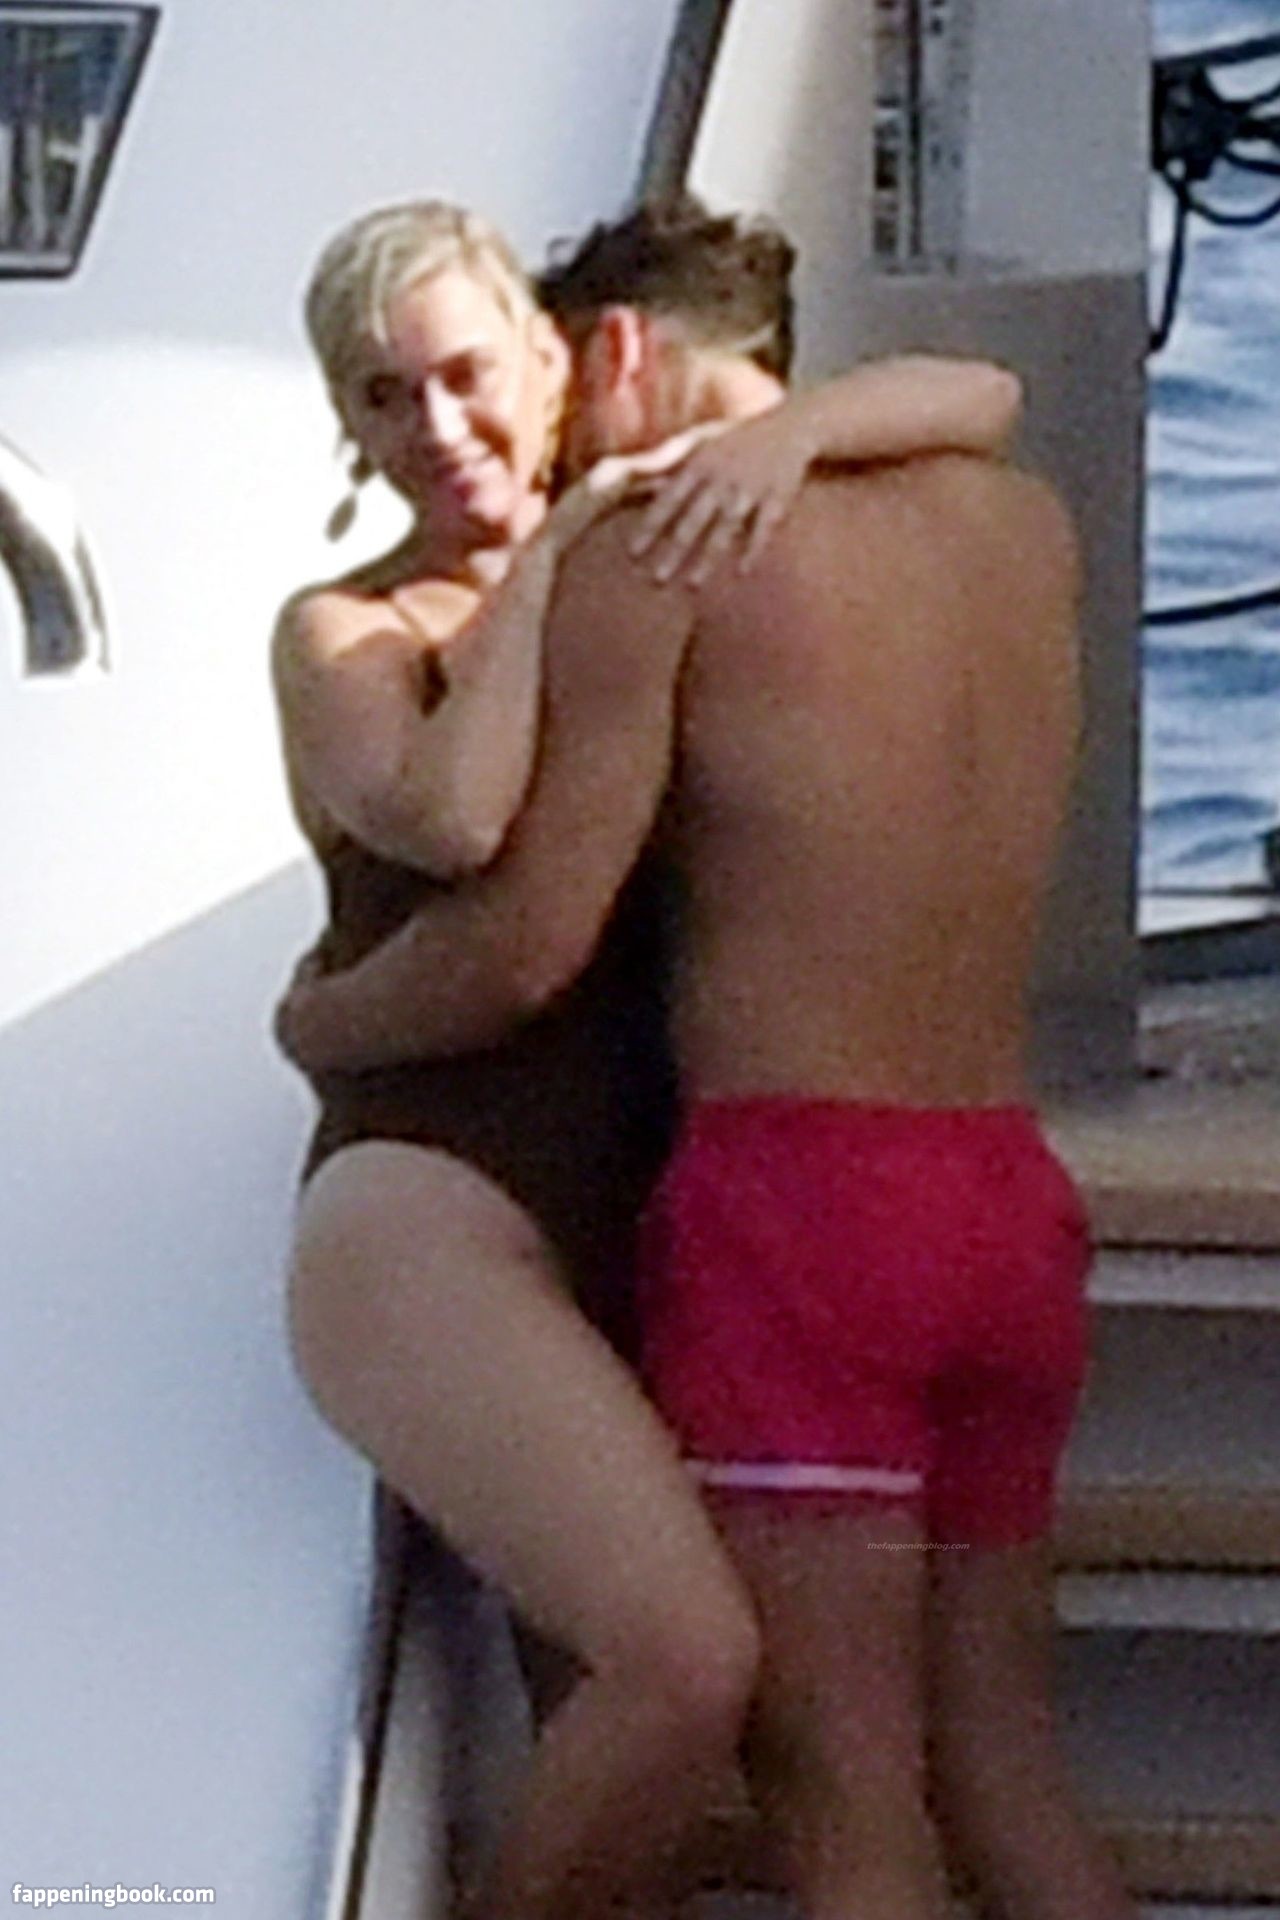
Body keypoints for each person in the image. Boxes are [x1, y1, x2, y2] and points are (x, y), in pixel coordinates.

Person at [279, 197, 1138, 1920]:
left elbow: (526, 939)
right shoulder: (1021, 529)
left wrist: (316, 1020)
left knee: (839, 1787)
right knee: (999, 1760)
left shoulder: (659, 555)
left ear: (588, 352)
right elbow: (982, 395)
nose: (453, 426)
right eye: (385, 394)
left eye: (484, 373)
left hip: (807, 1212)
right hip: (1003, 1191)